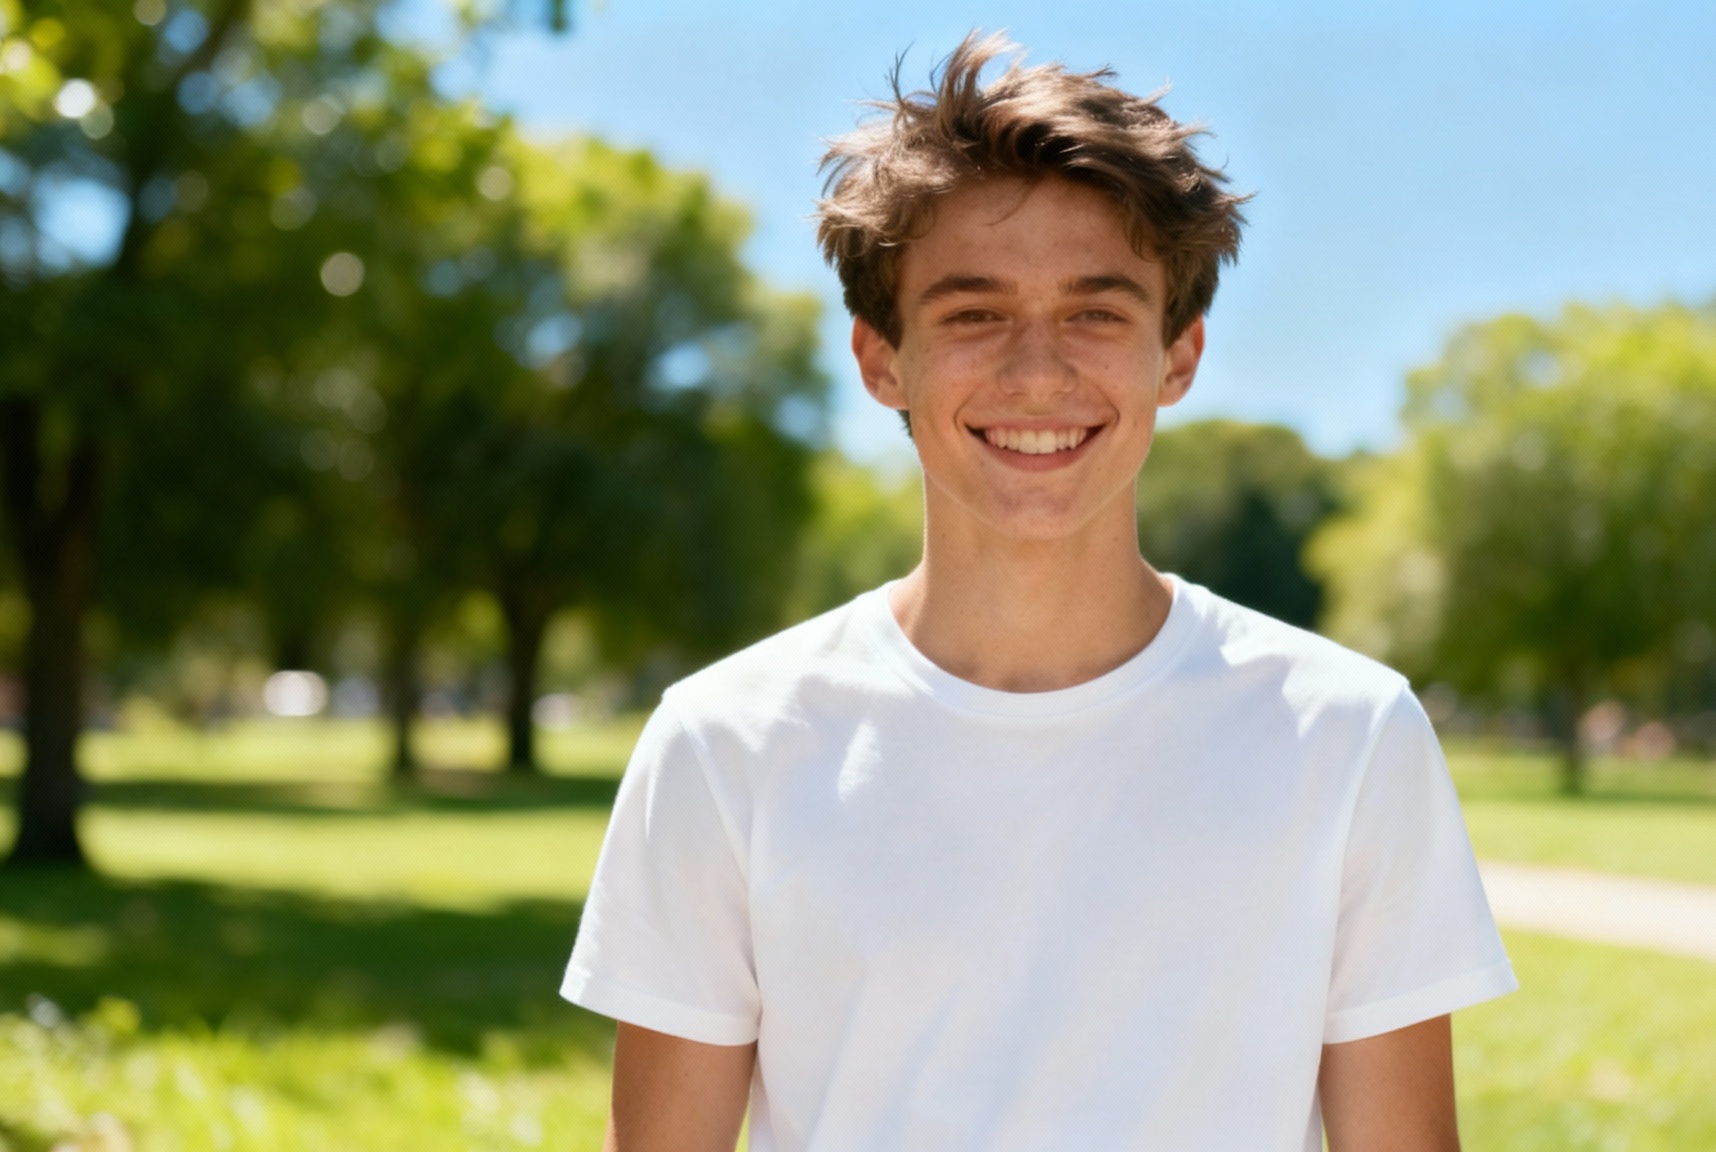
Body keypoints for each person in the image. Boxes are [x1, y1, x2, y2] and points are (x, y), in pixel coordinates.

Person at [561, 32, 1514, 1152]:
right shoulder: (725, 743)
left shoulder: (1347, 735)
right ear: (881, 359)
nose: (1036, 372)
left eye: (1095, 312)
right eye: (973, 313)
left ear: (1178, 355)